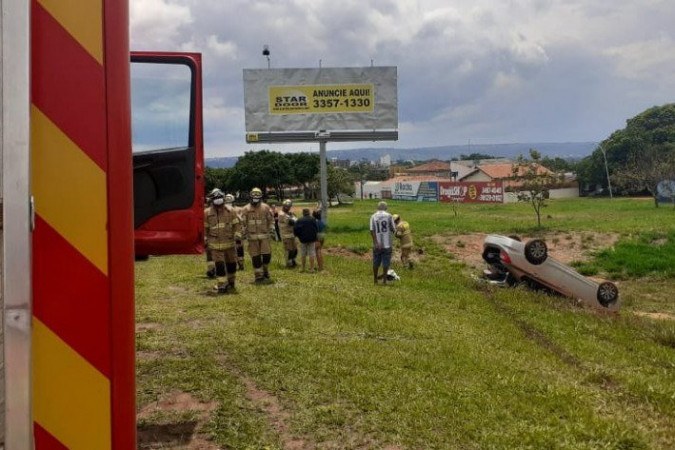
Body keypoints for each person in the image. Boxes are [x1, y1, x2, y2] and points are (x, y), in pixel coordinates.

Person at [204, 190, 242, 293]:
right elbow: (205, 228)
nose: (219, 204)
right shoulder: (207, 213)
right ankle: (222, 285)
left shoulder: (231, 211)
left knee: (232, 264)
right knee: (219, 265)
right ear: (212, 201)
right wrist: (205, 240)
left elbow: (237, 225)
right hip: (215, 245)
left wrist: (238, 236)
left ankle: (231, 282)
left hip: (229, 243)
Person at [241, 187, 275, 283]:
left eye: (257, 196)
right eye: (253, 196)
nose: (255, 199)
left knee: (267, 256)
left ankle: (265, 270)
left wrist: (272, 229)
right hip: (252, 238)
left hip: (264, 236)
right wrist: (242, 234)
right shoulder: (246, 209)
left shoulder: (265, 207)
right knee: (255, 257)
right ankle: (258, 275)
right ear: (250, 196)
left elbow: (271, 220)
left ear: (260, 197)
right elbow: (242, 223)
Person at [369, 201, 396, 284]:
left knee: (376, 262)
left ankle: (375, 280)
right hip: (387, 244)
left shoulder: (373, 216)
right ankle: (384, 280)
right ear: (386, 208)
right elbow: (393, 229)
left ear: (378, 208)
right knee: (386, 262)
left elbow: (371, 230)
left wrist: (375, 242)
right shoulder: (389, 216)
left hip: (377, 244)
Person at [204, 188, 223, 278]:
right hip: (214, 235)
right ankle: (212, 269)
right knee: (211, 252)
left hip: (219, 235)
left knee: (212, 253)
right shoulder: (207, 211)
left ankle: (213, 269)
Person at [277, 199, 298, 267]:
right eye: (287, 207)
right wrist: (294, 218)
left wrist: (294, 217)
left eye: (289, 207)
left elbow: (295, 219)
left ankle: (293, 260)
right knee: (289, 250)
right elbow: (291, 222)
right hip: (285, 234)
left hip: (292, 234)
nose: (289, 208)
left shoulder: (288, 213)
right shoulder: (281, 214)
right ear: (284, 206)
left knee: (295, 249)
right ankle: (288, 263)